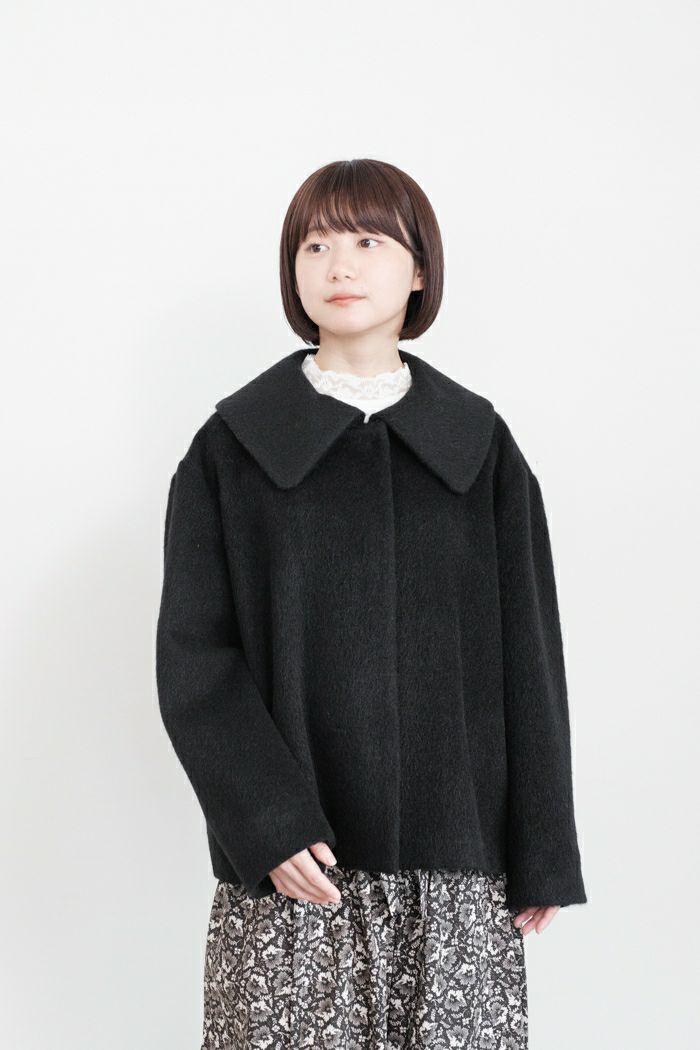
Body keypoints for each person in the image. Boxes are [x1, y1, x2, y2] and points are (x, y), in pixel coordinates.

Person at [155, 158, 587, 1049]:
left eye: (367, 241)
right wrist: (266, 824)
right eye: (314, 245)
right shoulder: (232, 450)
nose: (339, 265)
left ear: (419, 269)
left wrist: (543, 843)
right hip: (294, 875)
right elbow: (196, 658)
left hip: (457, 875)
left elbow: (530, 649)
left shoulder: (480, 448)